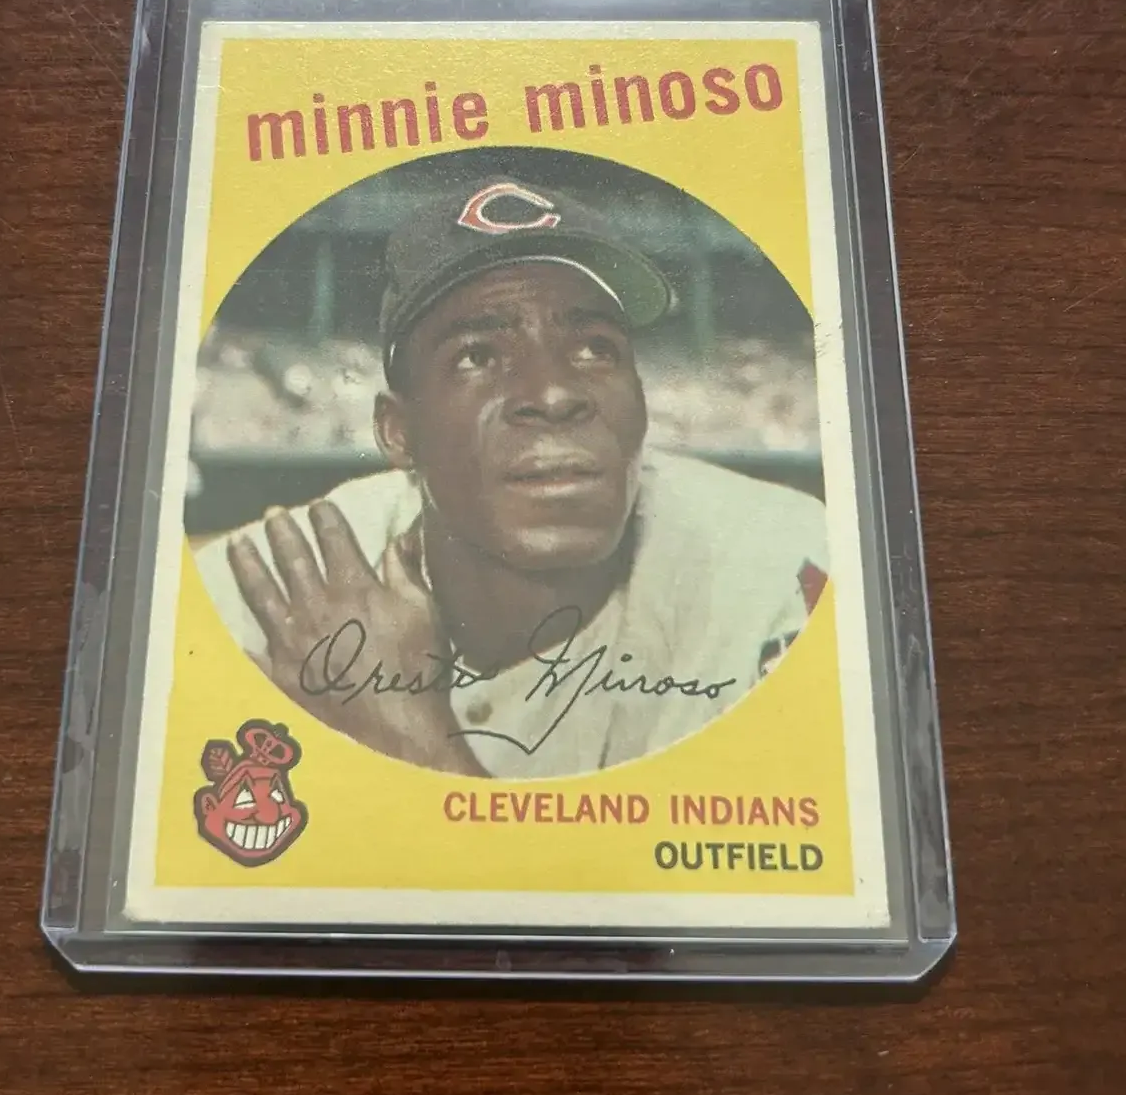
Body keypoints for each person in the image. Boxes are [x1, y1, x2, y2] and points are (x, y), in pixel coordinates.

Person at [194, 178, 828, 779]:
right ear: (398, 433)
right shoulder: (262, 605)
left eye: (596, 348)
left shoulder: (787, 572)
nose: (554, 394)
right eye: (476, 356)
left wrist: (414, 745)